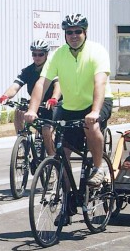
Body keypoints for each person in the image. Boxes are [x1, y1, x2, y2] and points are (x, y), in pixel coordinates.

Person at [24, 13, 113, 187]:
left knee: (91, 126)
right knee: (62, 152)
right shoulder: (59, 54)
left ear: (85, 32)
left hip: (97, 101)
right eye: (69, 32)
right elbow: (42, 83)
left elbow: (100, 82)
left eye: (78, 31)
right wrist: (32, 109)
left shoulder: (97, 51)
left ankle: (98, 167)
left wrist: (95, 111)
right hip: (71, 106)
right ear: (65, 34)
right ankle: (67, 196)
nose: (73, 35)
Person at [0, 39, 62, 155]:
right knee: (19, 110)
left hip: (51, 105)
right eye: (34, 54)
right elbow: (15, 86)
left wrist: (54, 98)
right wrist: (5, 96)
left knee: (46, 130)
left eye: (40, 54)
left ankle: (52, 162)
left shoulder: (52, 69)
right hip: (35, 103)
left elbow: (58, 86)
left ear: (46, 54)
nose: (37, 57)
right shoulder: (27, 70)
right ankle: (23, 141)